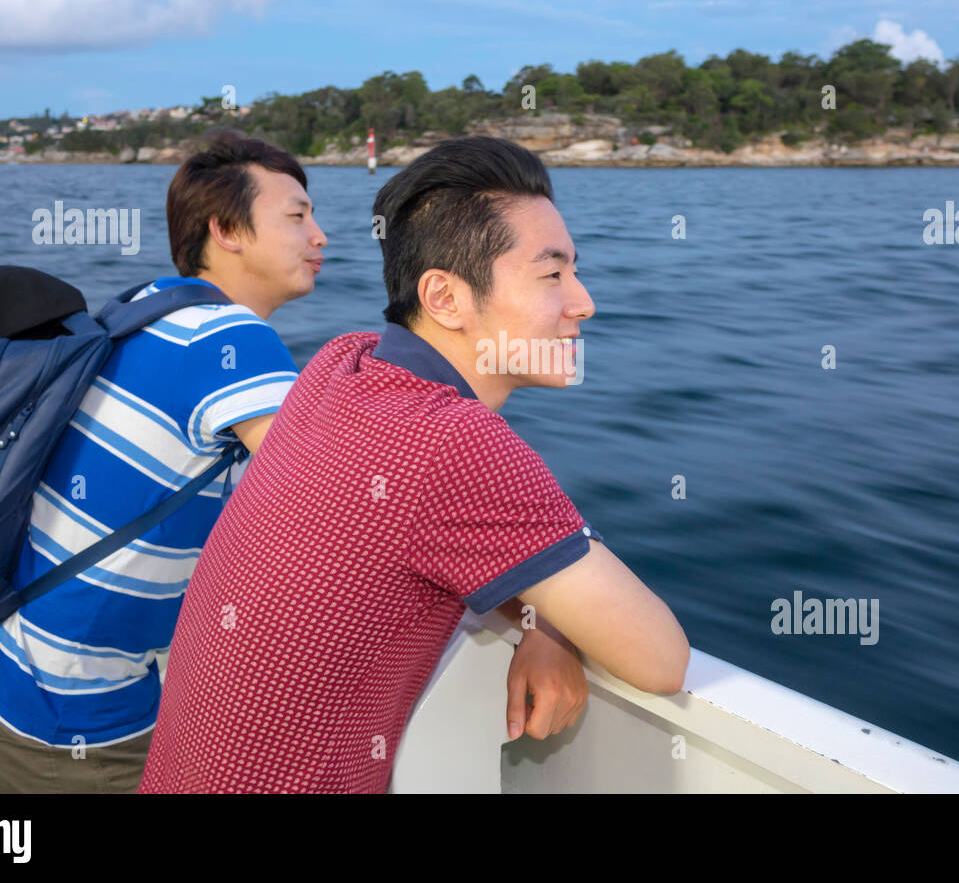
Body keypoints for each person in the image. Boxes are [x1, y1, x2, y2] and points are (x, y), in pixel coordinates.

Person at [138, 136, 689, 793]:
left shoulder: (339, 365)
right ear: (445, 298)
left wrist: (551, 622)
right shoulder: (450, 441)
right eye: (552, 275)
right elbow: (661, 659)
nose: (583, 302)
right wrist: (557, 613)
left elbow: (420, 525)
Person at [0, 130, 320, 792]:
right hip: (69, 718)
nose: (320, 235)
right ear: (225, 231)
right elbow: (335, 503)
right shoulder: (233, 339)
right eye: (297, 215)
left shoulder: (142, 310)